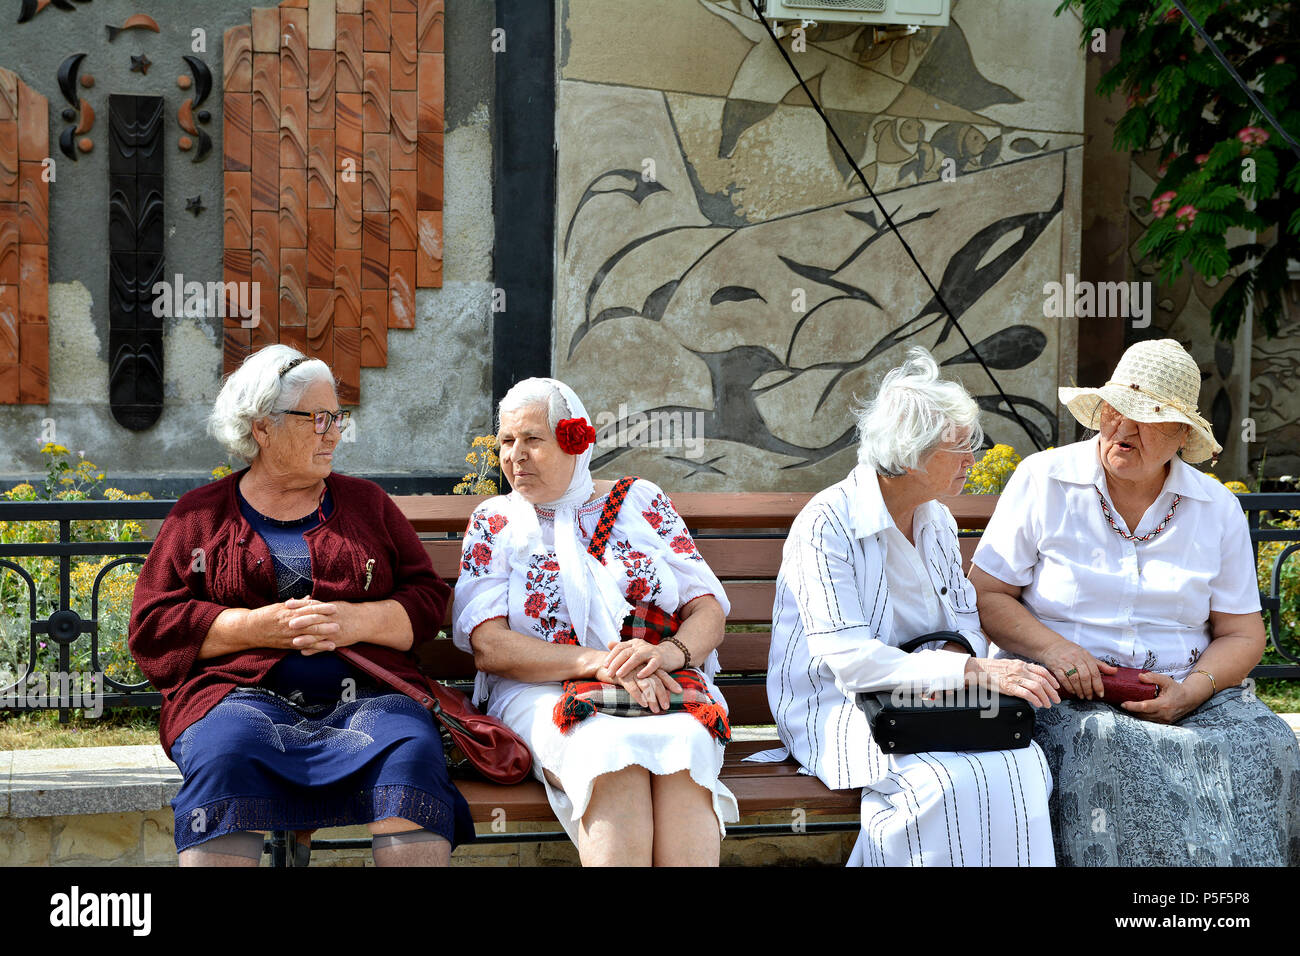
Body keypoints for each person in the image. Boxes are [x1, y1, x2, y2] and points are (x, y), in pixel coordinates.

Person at [129, 344, 474, 866]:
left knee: (411, 750)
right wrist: (253, 628)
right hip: (237, 699)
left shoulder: (368, 506)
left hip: (369, 699)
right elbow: (153, 627)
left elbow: (427, 598)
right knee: (226, 755)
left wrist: (357, 621)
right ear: (262, 428)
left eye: (336, 416)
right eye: (316, 418)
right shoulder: (199, 517)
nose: (334, 431)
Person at [970, 338, 1300, 866]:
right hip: (1066, 692)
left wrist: (1191, 692)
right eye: (1113, 409)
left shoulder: (1216, 508)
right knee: (1111, 755)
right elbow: (987, 594)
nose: (1122, 428)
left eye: (1146, 417)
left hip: (1188, 690)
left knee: (1270, 748)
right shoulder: (1044, 480)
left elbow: (1242, 633)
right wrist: (1056, 651)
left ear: (1183, 435)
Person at [760, 347, 1059, 866]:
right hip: (842, 704)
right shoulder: (827, 522)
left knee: (1023, 765)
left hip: (938, 697)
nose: (974, 459)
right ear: (910, 453)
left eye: (974, 445)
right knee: (941, 781)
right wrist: (968, 669)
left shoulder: (935, 518)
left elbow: (964, 620)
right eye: (960, 448)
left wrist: (960, 662)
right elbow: (850, 663)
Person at [451, 377, 737, 866]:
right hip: (539, 689)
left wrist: (668, 654)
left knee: (685, 745)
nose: (515, 455)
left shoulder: (641, 501)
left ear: (574, 439)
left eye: (532, 439)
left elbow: (706, 607)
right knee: (609, 747)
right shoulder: (495, 520)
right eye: (506, 440)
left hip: (661, 679)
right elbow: (490, 648)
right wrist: (599, 663)